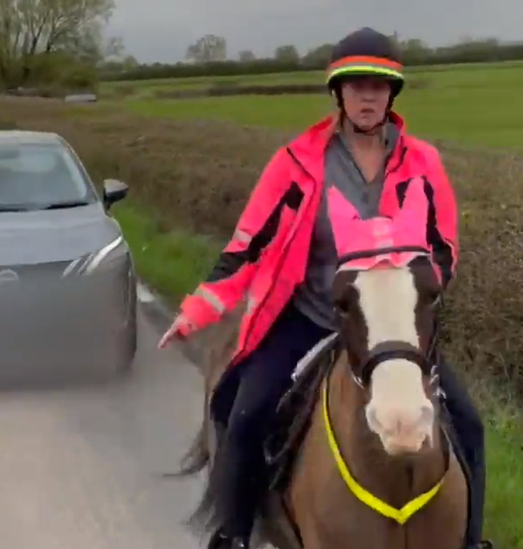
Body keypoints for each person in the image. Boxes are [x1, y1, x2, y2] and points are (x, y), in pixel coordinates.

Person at [158, 27, 492, 549]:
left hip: (391, 324)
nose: (367, 95)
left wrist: (416, 288)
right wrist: (197, 310)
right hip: (313, 316)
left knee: (467, 423)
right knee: (242, 410)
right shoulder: (297, 164)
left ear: (392, 95)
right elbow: (248, 243)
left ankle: (470, 542)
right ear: (337, 93)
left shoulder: (423, 163)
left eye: (378, 86)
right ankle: (235, 536)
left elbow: (443, 243)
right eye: (356, 85)